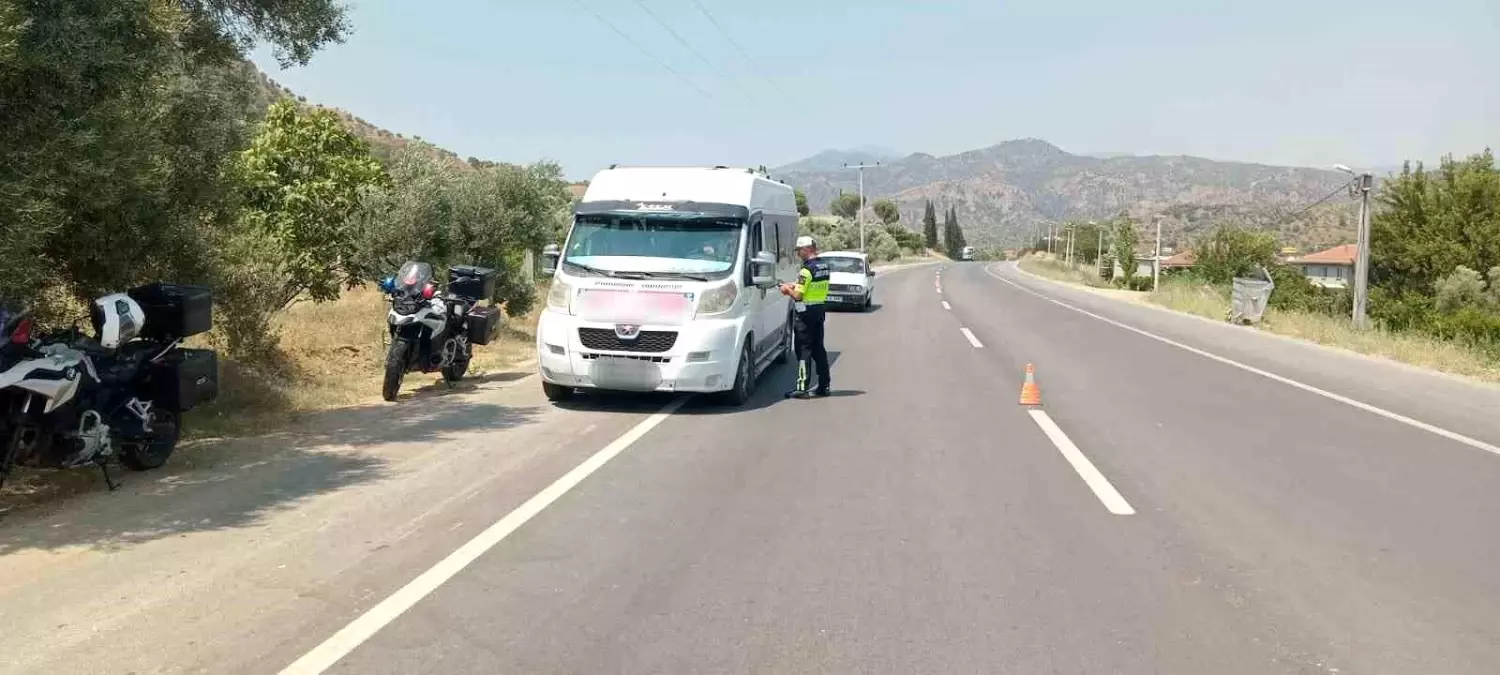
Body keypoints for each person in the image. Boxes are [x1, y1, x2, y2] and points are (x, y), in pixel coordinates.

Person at [779, 235, 831, 398]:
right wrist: (795, 285)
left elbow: (798, 296)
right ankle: (824, 385)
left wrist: (787, 289)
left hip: (805, 314)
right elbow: (812, 286)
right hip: (819, 309)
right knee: (819, 349)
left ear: (807, 249)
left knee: (803, 350)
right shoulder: (824, 266)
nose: (798, 254)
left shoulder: (806, 270)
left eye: (799, 250)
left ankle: (802, 388)